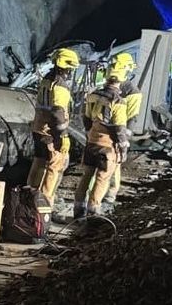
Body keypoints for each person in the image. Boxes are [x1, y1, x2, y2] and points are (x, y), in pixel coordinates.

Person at [26, 48, 79, 234]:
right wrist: (63, 138)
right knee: (53, 169)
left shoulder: (46, 80)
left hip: (38, 130)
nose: (71, 72)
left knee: (37, 166)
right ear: (66, 68)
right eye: (71, 68)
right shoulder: (61, 86)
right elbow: (58, 114)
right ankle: (44, 212)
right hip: (51, 134)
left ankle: (27, 204)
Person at [73, 58, 131, 218]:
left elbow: (85, 118)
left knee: (87, 175)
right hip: (107, 147)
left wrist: (89, 131)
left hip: (91, 142)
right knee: (102, 178)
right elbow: (119, 128)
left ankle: (78, 209)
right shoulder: (118, 101)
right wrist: (124, 148)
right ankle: (93, 211)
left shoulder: (93, 95)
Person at [99, 53, 142, 208]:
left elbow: (132, 117)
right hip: (103, 131)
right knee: (103, 165)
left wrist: (123, 138)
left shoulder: (133, 92)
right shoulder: (111, 84)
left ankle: (110, 195)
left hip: (117, 132)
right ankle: (97, 194)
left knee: (114, 164)